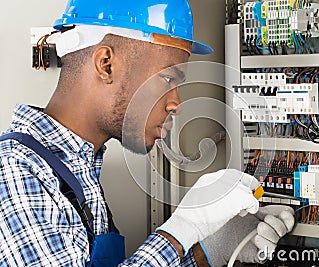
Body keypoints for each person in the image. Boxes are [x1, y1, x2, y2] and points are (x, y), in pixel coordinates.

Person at [0, 0, 295, 266]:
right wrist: (183, 229)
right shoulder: (15, 171)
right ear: (106, 63)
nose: (176, 103)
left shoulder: (76, 169)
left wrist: (211, 248)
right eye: (168, 78)